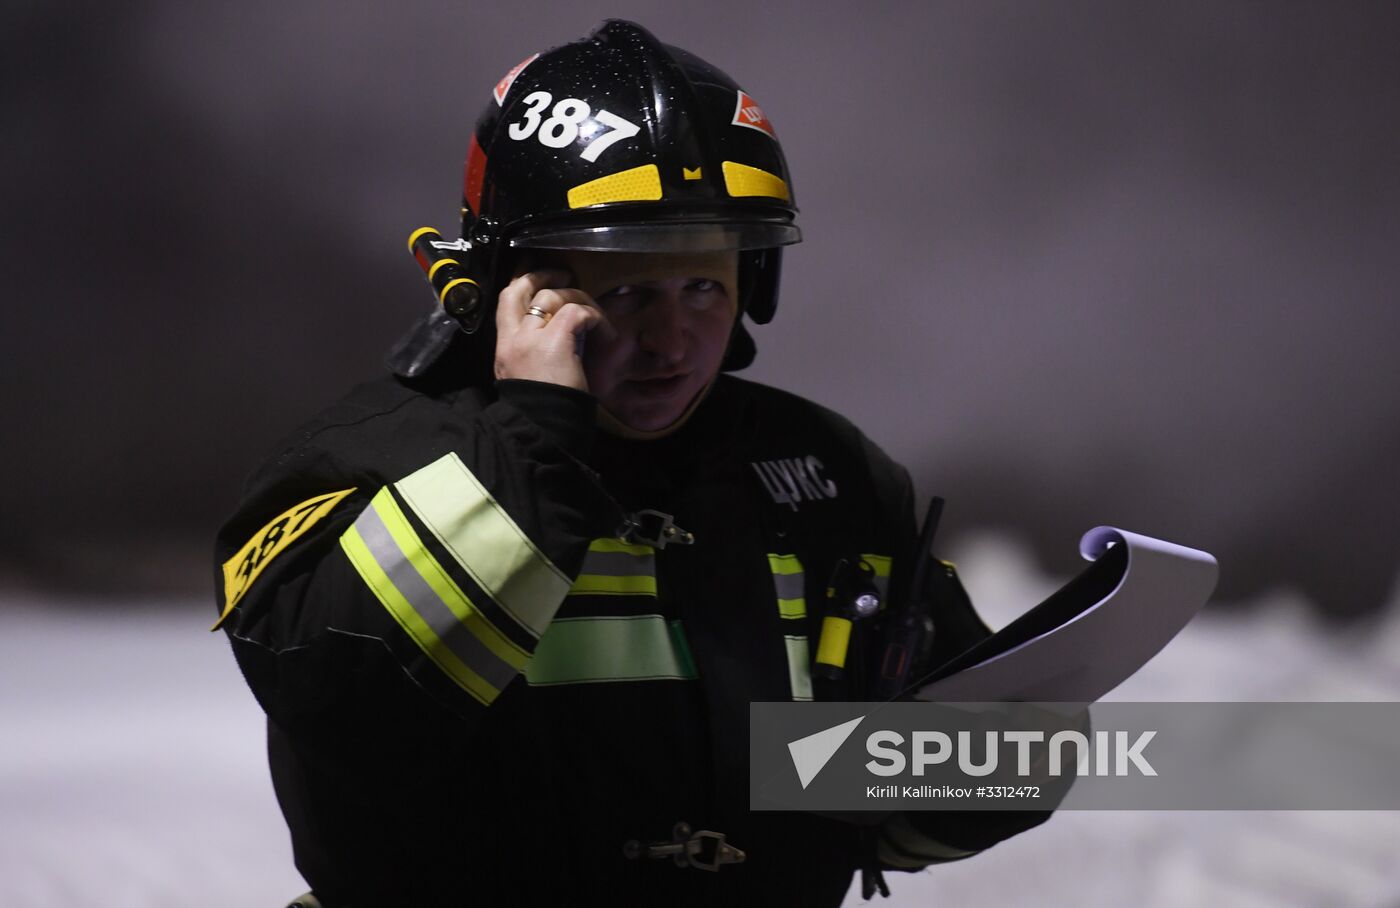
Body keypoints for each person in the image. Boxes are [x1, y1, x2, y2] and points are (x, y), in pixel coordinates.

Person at [214, 20, 1056, 907]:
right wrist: (535, 444)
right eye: (624, 291)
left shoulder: (826, 473)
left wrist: (1003, 764)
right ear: (517, 290)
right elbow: (350, 716)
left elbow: (854, 788)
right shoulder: (357, 462)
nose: (670, 339)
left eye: (703, 286)